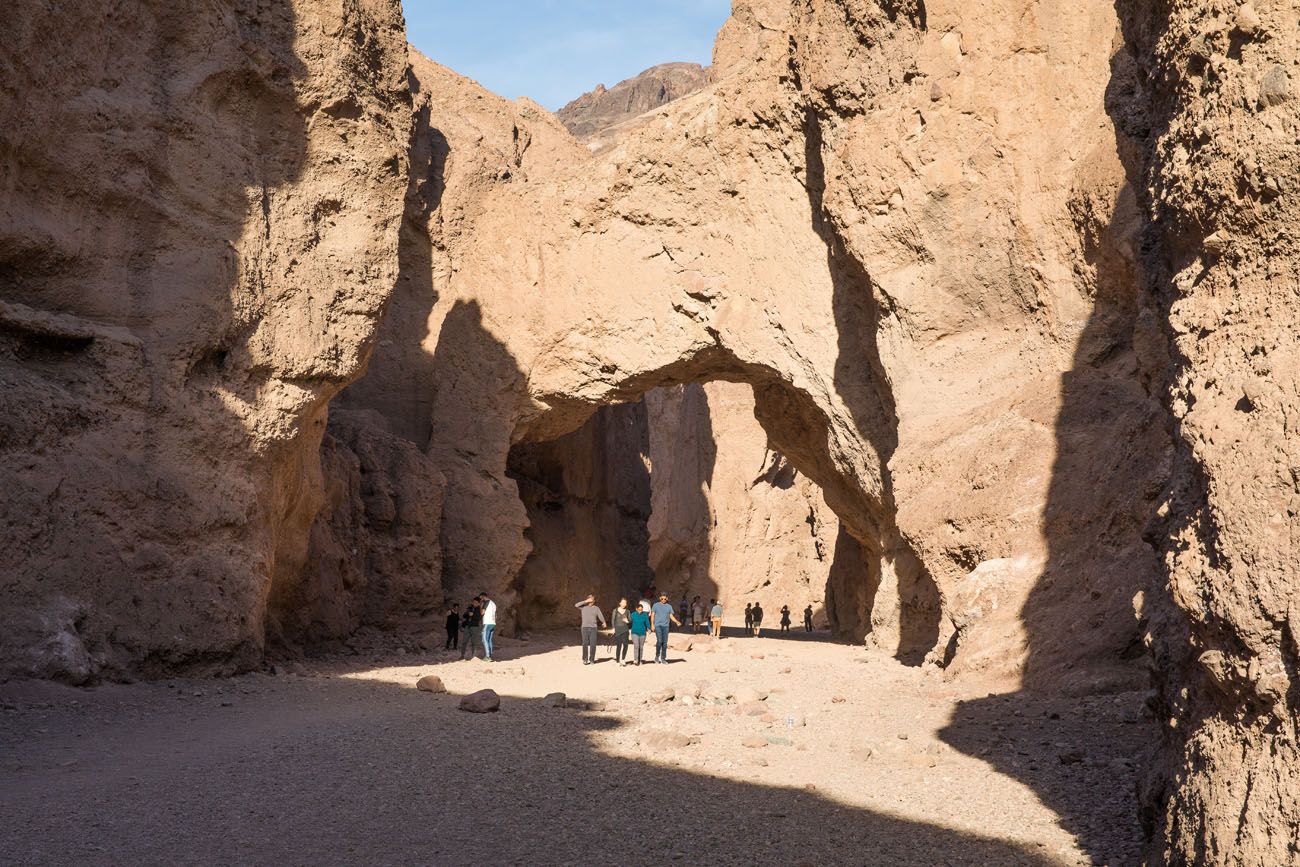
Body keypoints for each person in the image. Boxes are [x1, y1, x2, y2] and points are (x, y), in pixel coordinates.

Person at [575, 594, 606, 665]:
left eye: (592, 599)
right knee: (585, 643)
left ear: (594, 601)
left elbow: (600, 615)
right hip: (584, 627)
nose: (591, 600)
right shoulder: (583, 607)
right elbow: (576, 605)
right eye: (590, 599)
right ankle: (585, 659)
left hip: (593, 628)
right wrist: (586, 601)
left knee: (593, 644)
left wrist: (603, 622)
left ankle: (592, 659)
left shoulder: (596, 608)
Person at [651, 593, 680, 663]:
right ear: (659, 598)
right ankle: (657, 656)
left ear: (667, 598)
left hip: (666, 626)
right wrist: (652, 624)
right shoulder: (655, 605)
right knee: (659, 641)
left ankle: (663, 658)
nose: (663, 600)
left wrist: (676, 621)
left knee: (665, 643)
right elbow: (652, 615)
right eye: (662, 598)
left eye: (665, 599)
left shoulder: (669, 606)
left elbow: (671, 616)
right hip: (658, 625)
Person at [610, 598, 632, 665]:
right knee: (619, 645)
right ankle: (617, 660)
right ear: (620, 603)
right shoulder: (615, 610)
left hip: (625, 629)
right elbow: (613, 620)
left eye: (625, 603)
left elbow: (630, 620)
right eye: (623, 602)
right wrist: (613, 628)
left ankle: (623, 659)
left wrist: (627, 621)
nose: (624, 604)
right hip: (618, 630)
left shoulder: (627, 611)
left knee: (625, 645)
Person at [480, 591, 497, 662]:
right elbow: (496, 615)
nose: (481, 600)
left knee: (484, 639)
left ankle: (488, 656)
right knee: (489, 640)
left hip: (487, 622)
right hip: (493, 623)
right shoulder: (493, 604)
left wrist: (480, 606)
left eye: (481, 598)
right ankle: (490, 655)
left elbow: (482, 612)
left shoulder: (486, 602)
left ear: (483, 597)